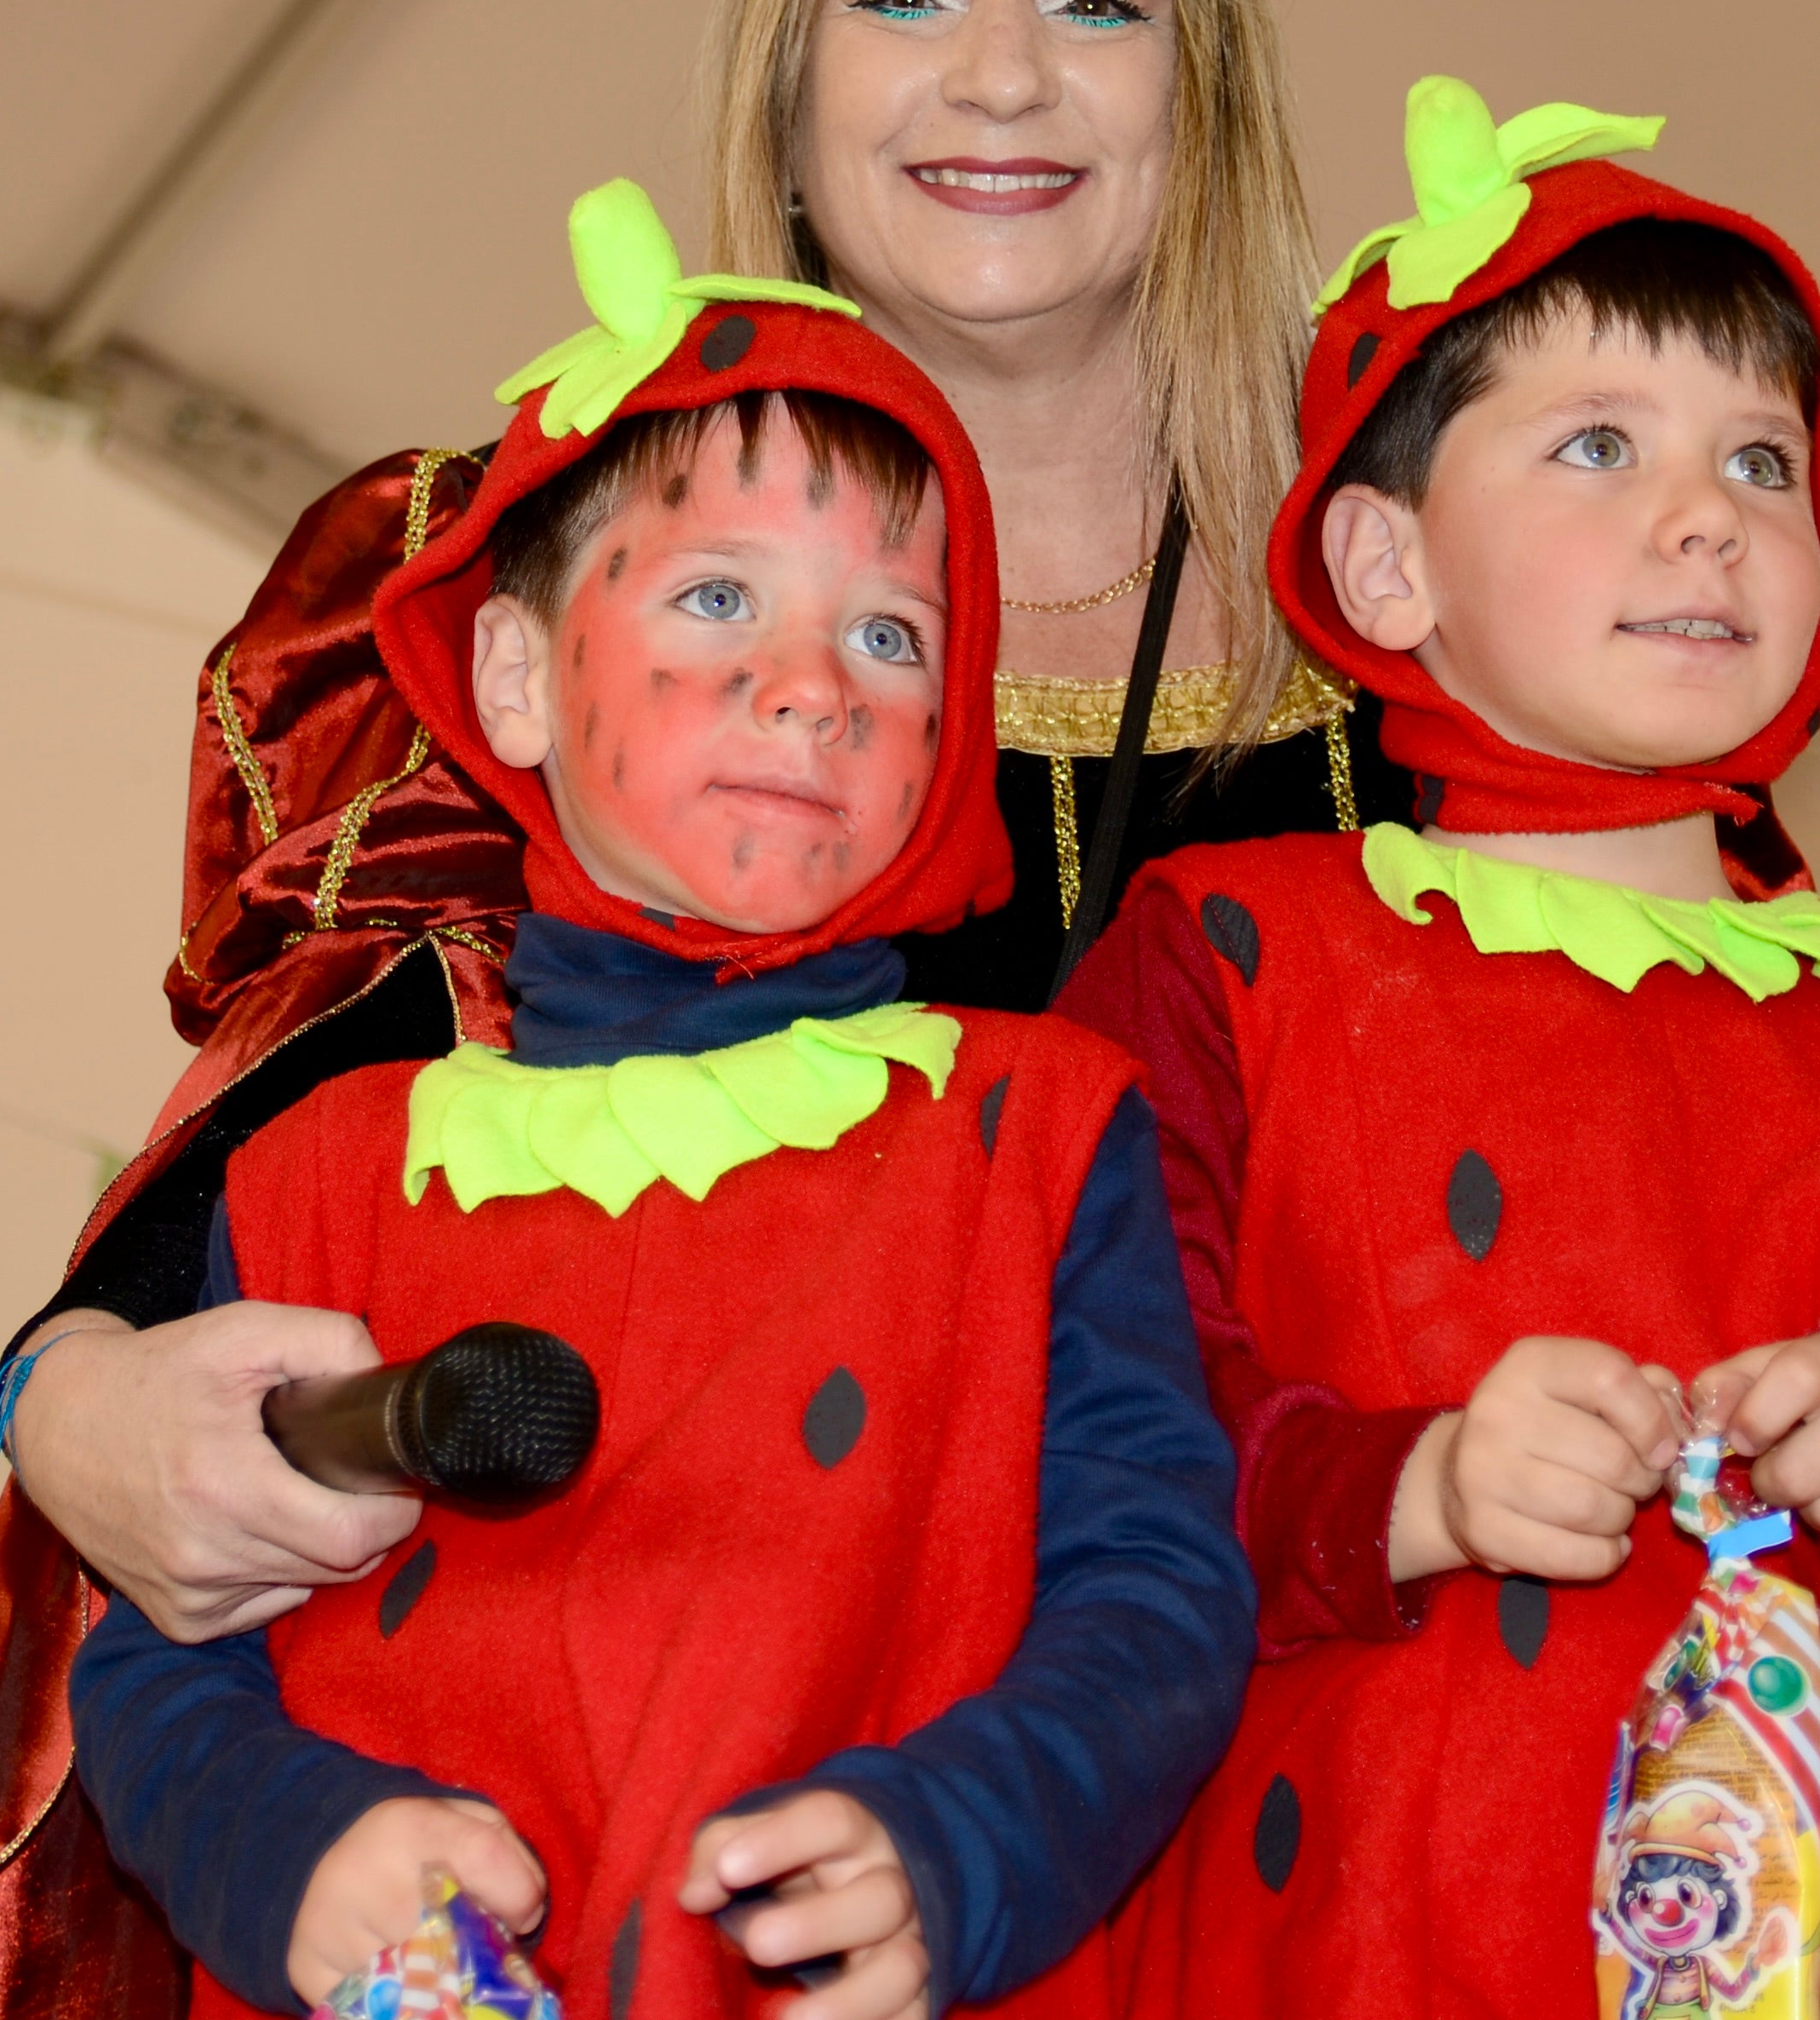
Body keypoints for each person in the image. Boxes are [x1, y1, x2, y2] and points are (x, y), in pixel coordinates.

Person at [0, 0, 1820, 2017]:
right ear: (786, 72)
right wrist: (67, 1397)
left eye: (1095, 0)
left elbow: (1772, 1252)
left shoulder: (1483, 619)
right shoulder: (545, 588)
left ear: (1207, 82)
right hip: (646, 1819)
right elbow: (267, 1180)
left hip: (1324, 1889)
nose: (1000, 75)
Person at [1068, 81, 1820, 2017]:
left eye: (1764, 464)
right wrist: (1409, 1489)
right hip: (1357, 1912)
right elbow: (1088, 1447)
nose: (1707, 515)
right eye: (1600, 445)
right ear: (1382, 568)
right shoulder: (1230, 951)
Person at [66, 187, 1250, 2020]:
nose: (811, 691)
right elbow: (160, 1652)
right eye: (719, 598)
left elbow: (1160, 1598)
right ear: (519, 679)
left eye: (892, 638)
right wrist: (282, 1847)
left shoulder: (1043, 1133)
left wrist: (960, 1845)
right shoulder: (318, 1170)